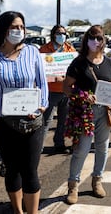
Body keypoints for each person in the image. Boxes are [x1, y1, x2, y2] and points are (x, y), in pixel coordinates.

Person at [0, 11, 49, 214]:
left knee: (30, 171)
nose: (18, 31)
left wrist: (41, 106)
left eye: (21, 27)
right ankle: (17, 211)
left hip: (32, 120)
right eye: (13, 27)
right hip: (2, 123)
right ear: (3, 30)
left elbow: (42, 83)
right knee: (12, 170)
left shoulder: (33, 52)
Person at [63, 25, 111, 205]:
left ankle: (97, 180)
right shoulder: (79, 63)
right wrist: (83, 96)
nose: (96, 41)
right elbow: (66, 88)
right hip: (84, 113)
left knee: (103, 148)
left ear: (104, 41)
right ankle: (73, 185)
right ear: (86, 40)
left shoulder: (108, 62)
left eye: (99, 38)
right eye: (92, 38)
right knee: (81, 150)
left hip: (105, 111)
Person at [39, 24, 76, 154]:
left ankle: (59, 144)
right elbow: (40, 71)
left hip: (66, 90)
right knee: (45, 121)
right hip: (50, 90)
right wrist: (53, 77)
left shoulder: (70, 49)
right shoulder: (44, 50)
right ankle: (38, 147)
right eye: (59, 33)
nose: (62, 36)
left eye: (64, 33)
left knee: (63, 121)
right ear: (53, 35)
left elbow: (74, 68)